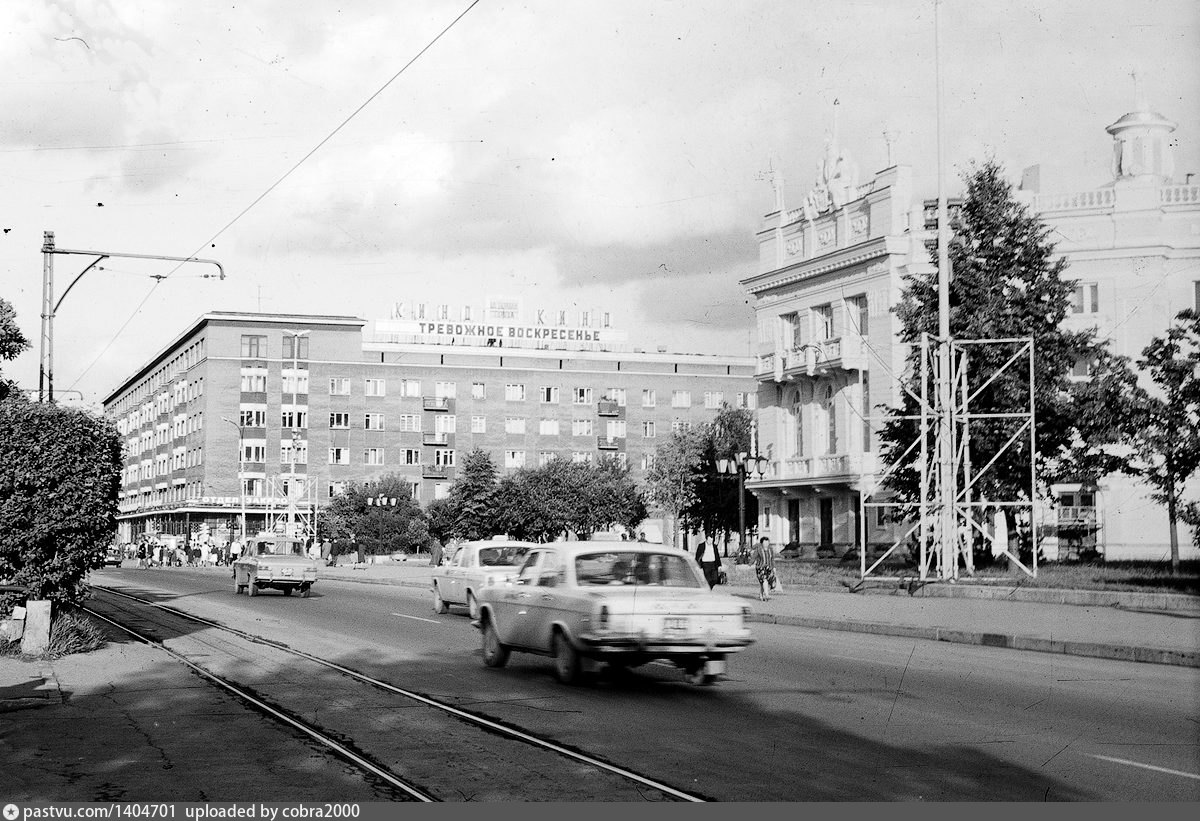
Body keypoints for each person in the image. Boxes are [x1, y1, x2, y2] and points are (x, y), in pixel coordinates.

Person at [753, 537, 779, 602]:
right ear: (762, 543)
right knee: (764, 580)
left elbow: (772, 559)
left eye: (767, 542)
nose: (766, 544)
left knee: (763, 583)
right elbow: (754, 557)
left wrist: (774, 567)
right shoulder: (758, 549)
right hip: (760, 568)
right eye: (765, 542)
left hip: (768, 567)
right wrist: (750, 564)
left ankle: (761, 595)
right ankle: (767, 594)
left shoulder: (770, 549)